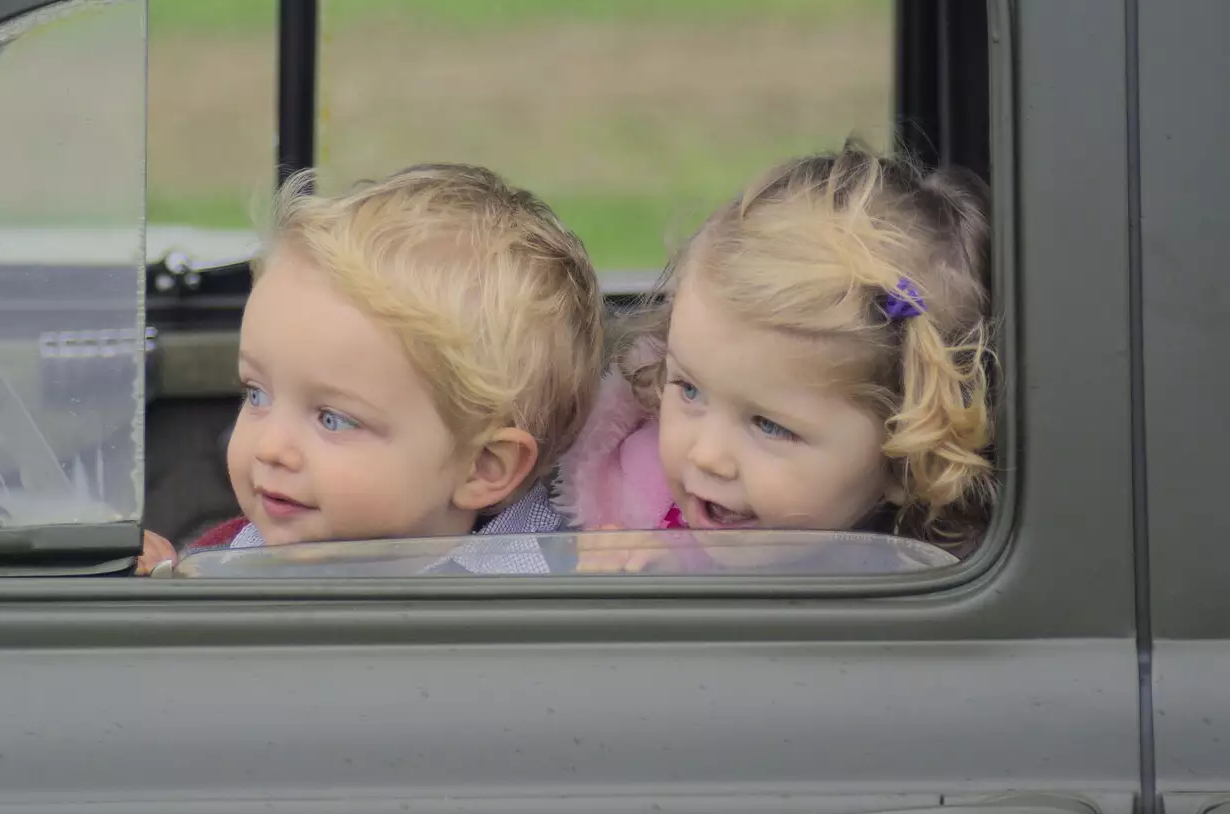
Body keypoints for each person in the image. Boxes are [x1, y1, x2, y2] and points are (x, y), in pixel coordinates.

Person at [139, 163, 603, 575]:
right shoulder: (224, 559)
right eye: (257, 394)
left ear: (481, 467)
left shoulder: (560, 597)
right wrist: (160, 588)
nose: (270, 447)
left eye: (333, 419)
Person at [555, 141, 997, 573]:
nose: (707, 455)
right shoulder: (630, 499)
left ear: (905, 461)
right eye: (689, 389)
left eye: (769, 426)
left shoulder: (937, 592)